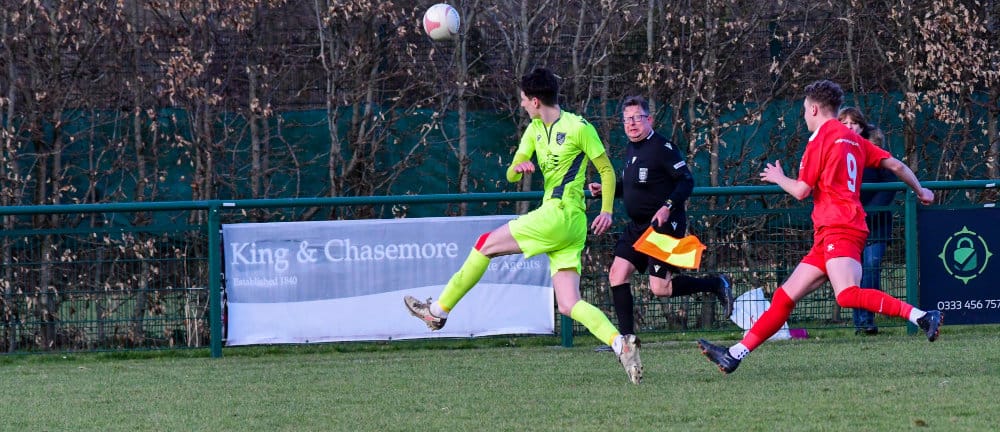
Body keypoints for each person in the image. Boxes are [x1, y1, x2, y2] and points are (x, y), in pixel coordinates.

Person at [403, 67, 643, 384]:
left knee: (484, 244)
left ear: (535, 100)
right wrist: (518, 167)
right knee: (569, 303)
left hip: (559, 214)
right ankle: (621, 344)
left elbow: (607, 171)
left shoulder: (578, 127)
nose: (522, 104)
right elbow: (511, 173)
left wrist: (608, 210)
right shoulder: (533, 130)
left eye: (523, 99)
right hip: (571, 226)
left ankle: (438, 312)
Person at [697, 79, 942, 374]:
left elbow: (801, 190)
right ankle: (734, 354)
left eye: (804, 110)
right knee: (784, 297)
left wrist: (778, 177)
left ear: (814, 109)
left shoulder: (820, 139)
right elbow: (897, 166)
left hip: (841, 227)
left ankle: (921, 316)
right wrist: (921, 190)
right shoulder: (854, 139)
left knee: (847, 294)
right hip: (829, 232)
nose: (804, 116)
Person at [587, 95, 734, 346]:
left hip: (661, 226)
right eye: (627, 119)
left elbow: (686, 180)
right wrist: (608, 190)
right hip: (637, 226)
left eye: (637, 118)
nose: (632, 124)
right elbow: (634, 186)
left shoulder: (662, 148)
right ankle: (627, 342)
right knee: (617, 274)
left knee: (660, 288)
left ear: (650, 120)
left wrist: (667, 207)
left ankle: (715, 284)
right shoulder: (631, 148)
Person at [838, 107, 897, 335]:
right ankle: (860, 323)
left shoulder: (874, 150)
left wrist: (868, 212)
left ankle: (868, 319)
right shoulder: (834, 149)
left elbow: (890, 184)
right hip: (848, 225)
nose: (849, 127)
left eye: (853, 123)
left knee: (871, 267)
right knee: (854, 274)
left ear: (862, 126)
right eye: (844, 123)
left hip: (876, 224)